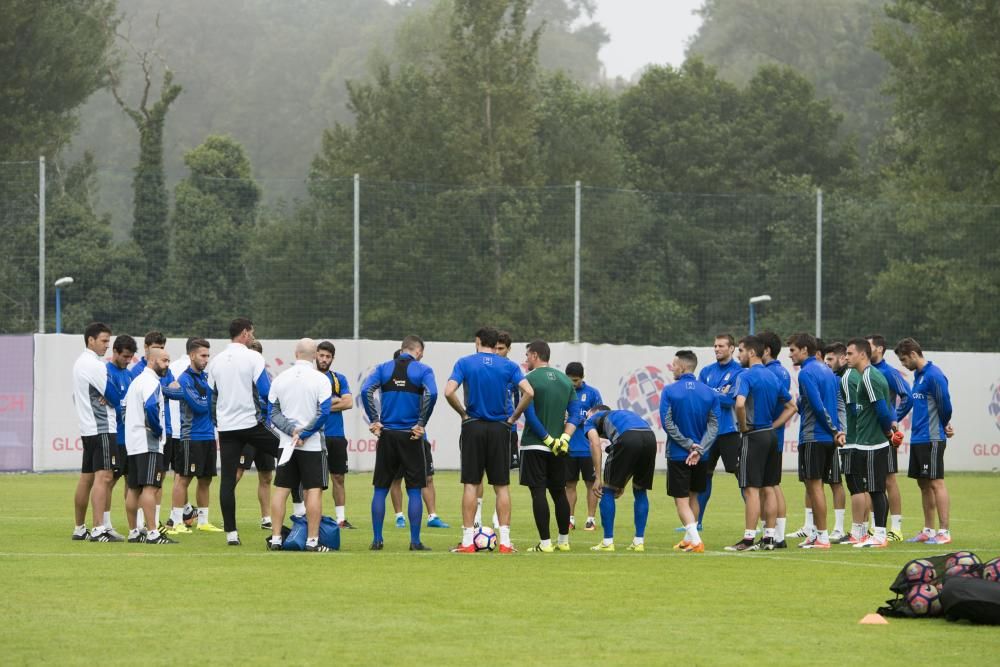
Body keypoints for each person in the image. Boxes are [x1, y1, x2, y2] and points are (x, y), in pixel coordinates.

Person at [445, 326, 533, 554]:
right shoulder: (509, 366)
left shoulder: (465, 363)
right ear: (496, 345)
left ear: (477, 341)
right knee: (501, 486)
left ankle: (467, 542)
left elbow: (448, 391)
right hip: (500, 429)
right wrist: (513, 417)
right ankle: (505, 542)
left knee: (471, 484)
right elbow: (529, 392)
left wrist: (463, 414)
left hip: (473, 426)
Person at [208, 317, 283, 546]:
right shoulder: (253, 357)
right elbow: (266, 390)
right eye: (251, 332)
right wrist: (271, 417)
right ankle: (300, 510)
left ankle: (231, 534)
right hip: (251, 425)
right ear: (244, 333)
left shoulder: (216, 361)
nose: (252, 336)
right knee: (288, 451)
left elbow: (213, 395)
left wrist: (218, 420)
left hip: (227, 428)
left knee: (228, 480)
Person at [361, 335, 438, 551]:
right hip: (411, 436)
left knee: (380, 488)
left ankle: (377, 540)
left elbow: (365, 390)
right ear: (418, 351)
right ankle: (415, 542)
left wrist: (375, 419)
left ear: (402, 349)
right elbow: (432, 394)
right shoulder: (423, 370)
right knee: (414, 489)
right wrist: (421, 422)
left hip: (387, 435)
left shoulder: (383, 368)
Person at [725, 335, 796, 552]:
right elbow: (792, 406)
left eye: (741, 351)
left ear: (751, 353)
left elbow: (739, 404)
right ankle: (769, 538)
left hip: (754, 436)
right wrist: (774, 426)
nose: (739, 355)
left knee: (751, 489)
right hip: (770, 436)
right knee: (769, 487)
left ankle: (748, 540)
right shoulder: (772, 376)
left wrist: (744, 426)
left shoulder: (745, 376)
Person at [264, 338, 333, 552]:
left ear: (296, 353)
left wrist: (291, 431)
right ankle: (312, 540)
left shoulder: (280, 379)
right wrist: (305, 432)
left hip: (287, 443)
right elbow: (325, 412)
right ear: (314, 355)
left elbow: (272, 412)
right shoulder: (321, 380)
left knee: (281, 489)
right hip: (311, 445)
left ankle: (276, 538)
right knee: (313, 491)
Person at [517, 340, 576, 553]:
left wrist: (546, 438)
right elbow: (576, 412)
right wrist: (564, 439)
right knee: (559, 492)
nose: (525, 360)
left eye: (527, 356)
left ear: (534, 355)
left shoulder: (528, 379)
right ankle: (563, 541)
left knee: (538, 493)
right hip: (559, 447)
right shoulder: (565, 380)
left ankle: (545, 543)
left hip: (535, 444)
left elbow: (528, 413)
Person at [787, 333, 845, 550]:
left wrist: (833, 429)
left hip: (814, 436)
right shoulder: (828, 371)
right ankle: (815, 534)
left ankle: (821, 536)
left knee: (815, 486)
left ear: (804, 350)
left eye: (793, 350)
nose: (790, 354)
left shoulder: (806, 373)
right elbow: (830, 403)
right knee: (815, 486)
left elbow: (817, 405)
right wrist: (838, 430)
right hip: (827, 437)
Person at [895, 338, 954, 545]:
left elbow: (945, 404)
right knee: (923, 483)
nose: (903, 364)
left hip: (932, 438)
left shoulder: (934, 375)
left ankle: (944, 532)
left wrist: (944, 424)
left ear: (913, 354)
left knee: (936, 483)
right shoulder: (918, 377)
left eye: (903, 360)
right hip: (918, 437)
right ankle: (929, 530)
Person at [659, 350, 719, 553]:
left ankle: (695, 540)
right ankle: (688, 539)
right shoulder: (710, 392)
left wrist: (687, 445)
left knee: (681, 501)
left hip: (678, 454)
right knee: (694, 498)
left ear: (683, 367)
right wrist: (699, 448)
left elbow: (667, 423)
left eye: (674, 365)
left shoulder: (670, 391)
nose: (672, 368)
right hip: (702, 457)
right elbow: (714, 425)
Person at [71, 322, 126, 542]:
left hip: (88, 428)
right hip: (102, 427)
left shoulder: (80, 363)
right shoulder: (94, 365)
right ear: (90, 340)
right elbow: (113, 395)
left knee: (87, 478)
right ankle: (98, 529)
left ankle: (80, 528)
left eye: (108, 341)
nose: (106, 345)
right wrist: (114, 397)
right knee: (104, 477)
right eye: (103, 341)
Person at [164, 338, 223, 535]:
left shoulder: (205, 378)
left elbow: (213, 400)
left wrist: (209, 397)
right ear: (192, 355)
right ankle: (176, 520)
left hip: (208, 435)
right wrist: (210, 398)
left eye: (208, 355)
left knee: (206, 479)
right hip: (191, 437)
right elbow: (198, 406)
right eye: (202, 355)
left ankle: (203, 521)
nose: (206, 359)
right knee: (183, 478)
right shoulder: (185, 379)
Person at [582, 405, 657, 552]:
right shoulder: (621, 415)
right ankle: (638, 542)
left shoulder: (591, 419)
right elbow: (634, 446)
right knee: (640, 491)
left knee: (607, 490)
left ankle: (607, 541)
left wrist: (597, 477)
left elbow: (595, 444)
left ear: (593, 413)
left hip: (628, 438)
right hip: (649, 437)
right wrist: (621, 483)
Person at [845, 338, 896, 549]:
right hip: (867, 442)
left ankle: (880, 534)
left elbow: (882, 409)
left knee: (876, 490)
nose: (846, 357)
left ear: (862, 355)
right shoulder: (868, 375)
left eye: (849, 353)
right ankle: (875, 533)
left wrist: (887, 432)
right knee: (872, 489)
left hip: (874, 443)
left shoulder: (869, 376)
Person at [123, 347, 176, 545]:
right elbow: (152, 407)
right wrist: (157, 429)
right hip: (148, 442)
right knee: (150, 487)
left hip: (134, 442)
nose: (167, 365)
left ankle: (133, 532)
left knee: (134, 488)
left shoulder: (135, 382)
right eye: (164, 360)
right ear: (152, 361)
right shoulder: (151, 382)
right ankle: (153, 532)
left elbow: (123, 408)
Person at [694, 333, 744, 530]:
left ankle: (754, 522)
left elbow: (731, 400)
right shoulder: (706, 371)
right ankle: (697, 522)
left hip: (729, 431)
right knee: (703, 477)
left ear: (731, 348)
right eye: (715, 346)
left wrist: (710, 393)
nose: (717, 349)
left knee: (742, 477)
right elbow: (698, 397)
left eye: (721, 346)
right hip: (708, 433)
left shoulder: (739, 372)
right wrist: (717, 393)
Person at [235, 339, 286, 530]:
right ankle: (228, 514)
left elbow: (273, 401)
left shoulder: (267, 380)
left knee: (266, 476)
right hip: (247, 430)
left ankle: (266, 518)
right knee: (237, 473)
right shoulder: (240, 381)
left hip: (264, 430)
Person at [867, 333, 912, 541]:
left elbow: (907, 397)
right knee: (870, 480)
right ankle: (874, 526)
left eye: (869, 346)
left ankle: (896, 528)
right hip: (867, 434)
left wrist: (894, 420)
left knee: (889, 479)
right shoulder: (865, 371)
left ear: (879, 349)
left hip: (885, 434)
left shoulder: (889, 372)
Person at [473, 330, 518, 529]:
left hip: (506, 428)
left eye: (502, 348)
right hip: (482, 425)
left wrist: (513, 419)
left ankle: (496, 516)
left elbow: (523, 396)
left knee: (501, 476)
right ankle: (477, 515)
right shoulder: (483, 368)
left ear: (508, 349)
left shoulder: (511, 370)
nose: (498, 351)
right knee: (477, 473)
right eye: (496, 348)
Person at [316, 340, 356, 529]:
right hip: (314, 435)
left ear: (332, 359)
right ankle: (310, 517)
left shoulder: (339, 379)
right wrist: (334, 402)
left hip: (336, 436)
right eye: (321, 355)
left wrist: (321, 406)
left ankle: (340, 519)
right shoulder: (309, 377)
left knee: (338, 478)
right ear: (315, 355)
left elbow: (348, 403)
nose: (324, 359)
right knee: (314, 481)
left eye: (328, 357)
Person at [759, 330, 793, 547]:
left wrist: (770, 426)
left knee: (768, 486)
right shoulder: (782, 372)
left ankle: (774, 534)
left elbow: (779, 406)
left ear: (767, 350)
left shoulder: (770, 373)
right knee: (773, 484)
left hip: (766, 436)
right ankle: (778, 534)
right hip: (774, 437)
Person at [105, 334, 137, 539]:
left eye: (130, 357)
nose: (127, 360)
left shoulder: (130, 375)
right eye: (125, 356)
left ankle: (135, 527)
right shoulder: (106, 372)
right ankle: (105, 525)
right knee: (108, 481)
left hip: (132, 438)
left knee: (132, 482)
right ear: (114, 352)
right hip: (115, 437)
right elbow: (113, 402)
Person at [564, 361, 602, 531]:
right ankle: (569, 519)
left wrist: (586, 419)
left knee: (591, 484)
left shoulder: (593, 393)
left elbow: (601, 416)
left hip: (588, 448)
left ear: (582, 378)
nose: (573, 384)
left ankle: (591, 519)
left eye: (576, 380)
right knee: (569, 484)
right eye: (570, 380)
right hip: (568, 447)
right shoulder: (561, 392)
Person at [821, 342, 852, 542]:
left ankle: (844, 528)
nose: (827, 363)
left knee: (845, 483)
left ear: (842, 358)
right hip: (839, 436)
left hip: (845, 438)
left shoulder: (846, 379)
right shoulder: (835, 379)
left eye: (830, 359)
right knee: (833, 481)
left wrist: (842, 431)